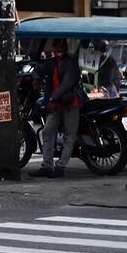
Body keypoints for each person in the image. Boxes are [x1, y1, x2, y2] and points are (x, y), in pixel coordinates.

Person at [36, 37, 82, 177]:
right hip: (56, 103)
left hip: (70, 103)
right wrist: (46, 99)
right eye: (56, 51)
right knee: (47, 131)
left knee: (69, 135)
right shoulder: (52, 63)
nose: (58, 53)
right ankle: (47, 165)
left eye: (60, 51)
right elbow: (49, 82)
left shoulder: (71, 63)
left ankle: (60, 166)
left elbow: (66, 84)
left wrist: (52, 97)